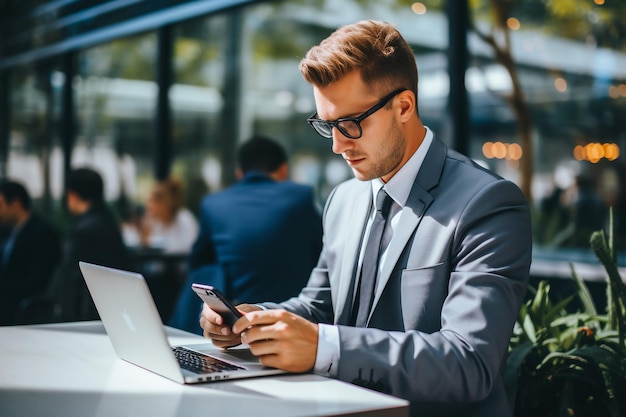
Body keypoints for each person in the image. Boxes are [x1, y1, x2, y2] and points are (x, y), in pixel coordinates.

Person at [199, 21, 532, 417]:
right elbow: (320, 309)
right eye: (327, 125)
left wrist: (324, 346)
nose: (338, 145)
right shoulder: (344, 199)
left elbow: (469, 363)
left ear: (404, 106)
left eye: (351, 123)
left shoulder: (488, 203)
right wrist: (257, 322)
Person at [170, 136, 323, 333]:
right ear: (283, 169)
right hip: (295, 318)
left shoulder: (214, 204)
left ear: (240, 173)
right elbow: (320, 254)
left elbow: (198, 261)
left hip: (235, 320)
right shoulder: (302, 197)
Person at [51, 167, 131, 321]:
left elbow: (68, 277)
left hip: (87, 314)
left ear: (72, 195)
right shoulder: (108, 221)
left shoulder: (81, 230)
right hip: (115, 307)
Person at [0, 181, 61, 324]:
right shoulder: (7, 232)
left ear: (15, 204)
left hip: (18, 312)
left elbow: (38, 280)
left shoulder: (43, 234)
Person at [126, 177, 199, 254]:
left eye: (152, 201)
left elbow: (189, 248)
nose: (148, 206)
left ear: (165, 203)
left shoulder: (184, 218)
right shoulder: (155, 222)